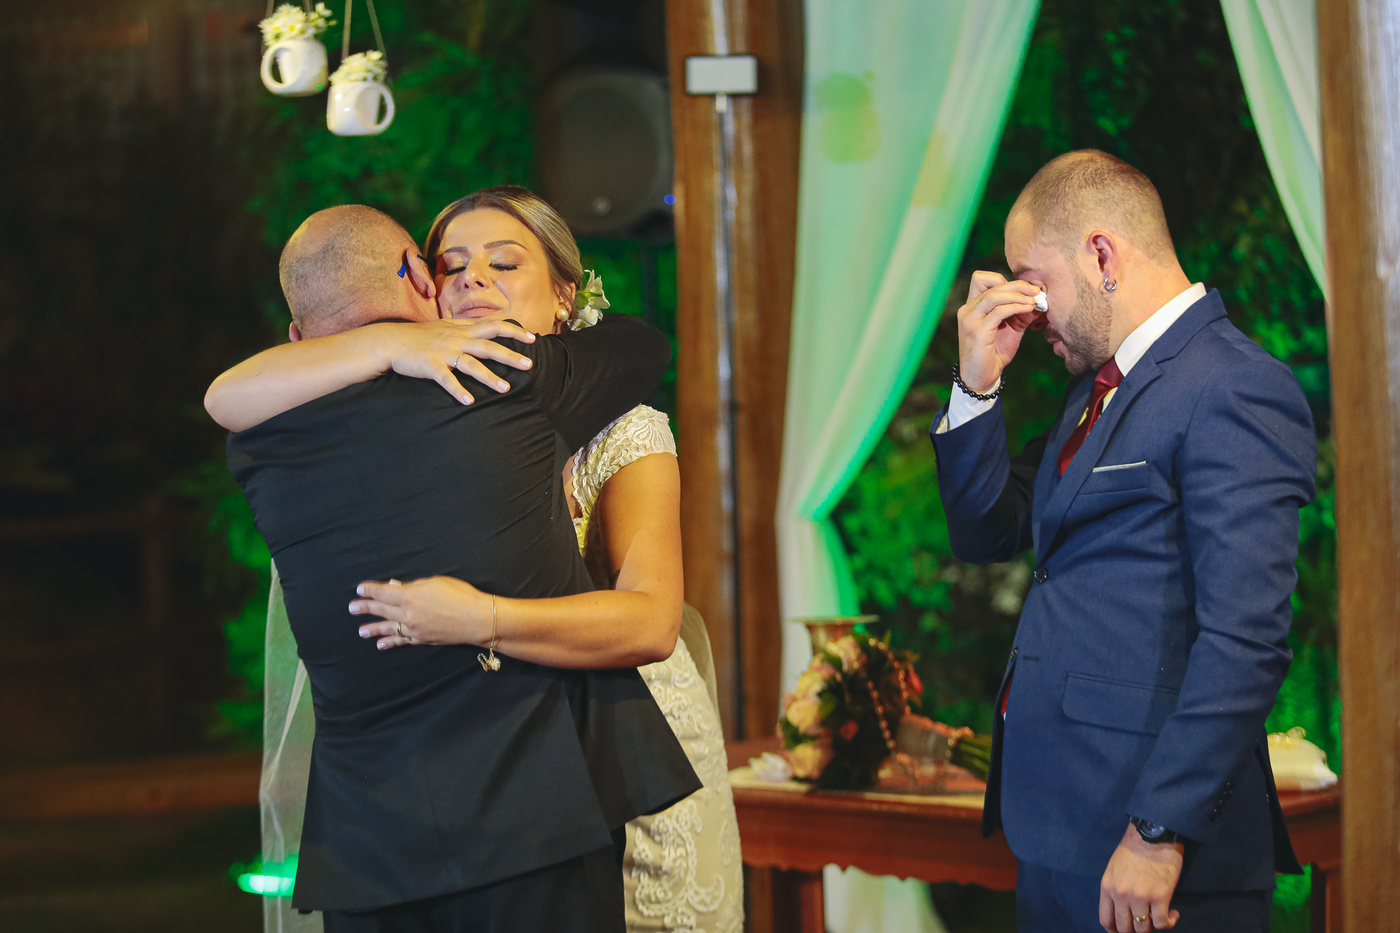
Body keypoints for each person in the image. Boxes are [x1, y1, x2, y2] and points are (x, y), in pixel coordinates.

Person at [209, 188, 743, 933]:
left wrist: (480, 616)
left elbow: (223, 396)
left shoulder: (262, 434)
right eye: (451, 265)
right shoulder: (512, 377)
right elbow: (643, 343)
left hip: (435, 818)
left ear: (566, 296)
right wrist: (395, 345)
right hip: (531, 804)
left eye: (504, 264)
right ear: (420, 280)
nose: (472, 281)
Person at [930, 151, 1315, 933]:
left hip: (1156, 855)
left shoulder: (1235, 384)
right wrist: (976, 383)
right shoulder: (1094, 393)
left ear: (1102, 255)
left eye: (1034, 281)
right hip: (1057, 835)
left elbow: (1246, 638)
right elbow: (987, 529)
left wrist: (1159, 830)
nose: (1031, 310)